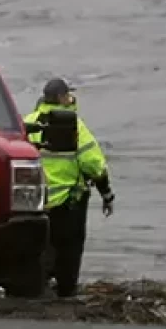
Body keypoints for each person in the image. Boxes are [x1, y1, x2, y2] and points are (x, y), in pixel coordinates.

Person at [23, 77, 115, 298]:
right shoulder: (74, 125)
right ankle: (66, 291)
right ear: (61, 98)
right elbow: (93, 164)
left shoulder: (28, 122)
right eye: (68, 95)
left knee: (36, 250)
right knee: (70, 249)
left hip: (33, 203)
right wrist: (106, 193)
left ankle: (34, 289)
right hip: (68, 202)